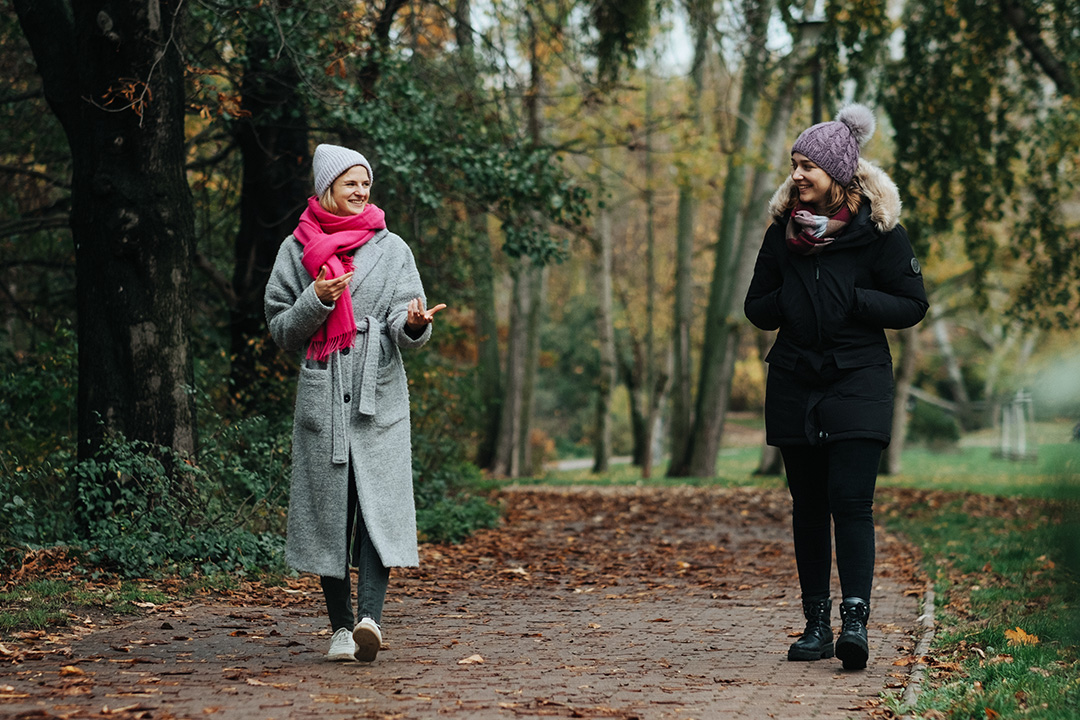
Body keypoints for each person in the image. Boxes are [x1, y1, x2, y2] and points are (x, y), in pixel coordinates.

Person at [743, 104, 928, 670]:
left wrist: (854, 300)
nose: (797, 175)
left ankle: (854, 622)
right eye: (795, 164)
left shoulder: (879, 235)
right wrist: (793, 302)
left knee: (851, 503)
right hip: (796, 380)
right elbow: (756, 307)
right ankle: (815, 624)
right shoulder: (782, 236)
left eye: (808, 166)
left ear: (838, 173)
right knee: (808, 506)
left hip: (858, 379)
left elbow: (912, 305)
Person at [265, 143, 446, 662]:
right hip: (324, 392)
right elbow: (280, 328)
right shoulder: (294, 250)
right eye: (351, 183)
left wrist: (412, 326)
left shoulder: (393, 250)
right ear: (327, 187)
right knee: (330, 514)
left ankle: (370, 619)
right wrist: (317, 299)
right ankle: (340, 628)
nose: (362, 191)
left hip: (379, 395)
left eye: (366, 184)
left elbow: (402, 319)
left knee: (377, 511)